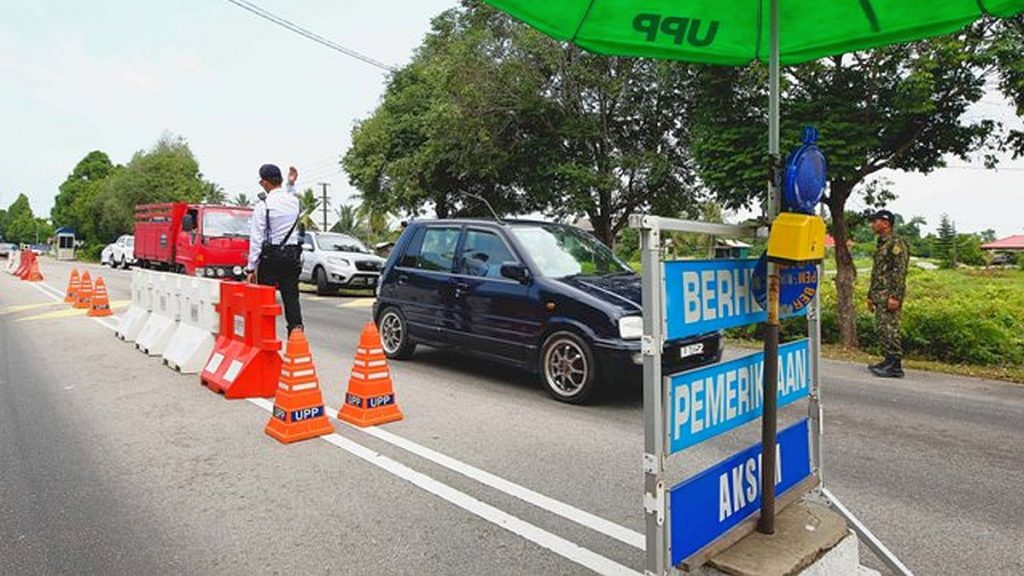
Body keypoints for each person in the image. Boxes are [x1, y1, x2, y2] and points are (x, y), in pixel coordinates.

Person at [246, 164, 303, 335]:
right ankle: (296, 337)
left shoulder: (264, 204)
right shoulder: (294, 201)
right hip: (292, 255)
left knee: (265, 299)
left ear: (264, 182)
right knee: (292, 298)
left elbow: (257, 238)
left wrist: (251, 267)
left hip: (271, 258)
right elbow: (290, 196)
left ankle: (265, 336)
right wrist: (291, 184)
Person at [866, 209, 909, 378]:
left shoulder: (896, 243)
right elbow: (878, 272)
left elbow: (900, 271)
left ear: (886, 223)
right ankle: (888, 360)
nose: (873, 224)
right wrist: (870, 295)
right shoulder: (882, 243)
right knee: (883, 329)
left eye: (876, 221)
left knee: (891, 329)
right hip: (879, 294)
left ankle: (895, 366)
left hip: (889, 295)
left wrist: (896, 296)